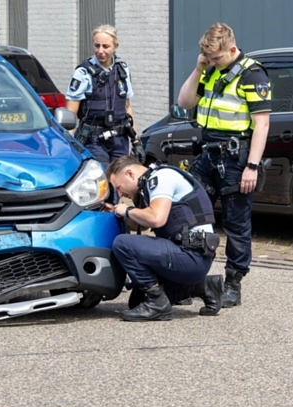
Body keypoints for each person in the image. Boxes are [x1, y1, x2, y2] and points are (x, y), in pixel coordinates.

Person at [176, 22, 271, 309]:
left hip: (235, 157)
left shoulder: (252, 74)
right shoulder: (210, 71)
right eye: (209, 58)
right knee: (187, 213)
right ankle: (185, 278)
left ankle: (232, 284)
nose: (213, 62)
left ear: (232, 48)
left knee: (236, 223)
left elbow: (262, 124)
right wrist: (198, 69)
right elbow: (184, 101)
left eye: (217, 58)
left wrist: (251, 166)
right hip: (207, 155)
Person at [105, 156, 225, 322]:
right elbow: (141, 224)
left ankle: (157, 305)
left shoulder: (161, 177)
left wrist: (127, 210)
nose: (120, 193)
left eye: (118, 187)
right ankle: (203, 286)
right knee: (137, 302)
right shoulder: (147, 185)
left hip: (190, 255)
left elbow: (156, 218)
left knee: (122, 243)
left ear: (130, 174)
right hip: (188, 256)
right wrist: (114, 211)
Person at [65, 25, 138, 164]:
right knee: (101, 179)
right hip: (94, 139)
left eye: (106, 46)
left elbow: (127, 108)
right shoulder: (83, 73)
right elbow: (70, 113)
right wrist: (69, 143)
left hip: (120, 138)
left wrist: (136, 140)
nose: (100, 51)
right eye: (96, 45)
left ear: (115, 46)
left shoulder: (122, 69)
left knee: (120, 182)